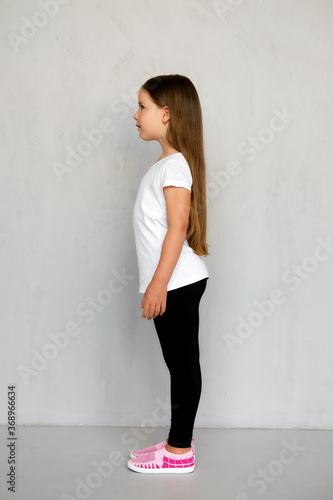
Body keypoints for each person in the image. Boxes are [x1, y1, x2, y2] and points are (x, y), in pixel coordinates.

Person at [127, 74, 209, 474]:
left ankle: (179, 452)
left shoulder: (174, 166)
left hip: (176, 282)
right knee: (180, 363)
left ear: (166, 113)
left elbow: (178, 228)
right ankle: (179, 439)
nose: (136, 115)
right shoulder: (167, 164)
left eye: (142, 107)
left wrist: (157, 283)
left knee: (183, 365)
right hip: (175, 281)